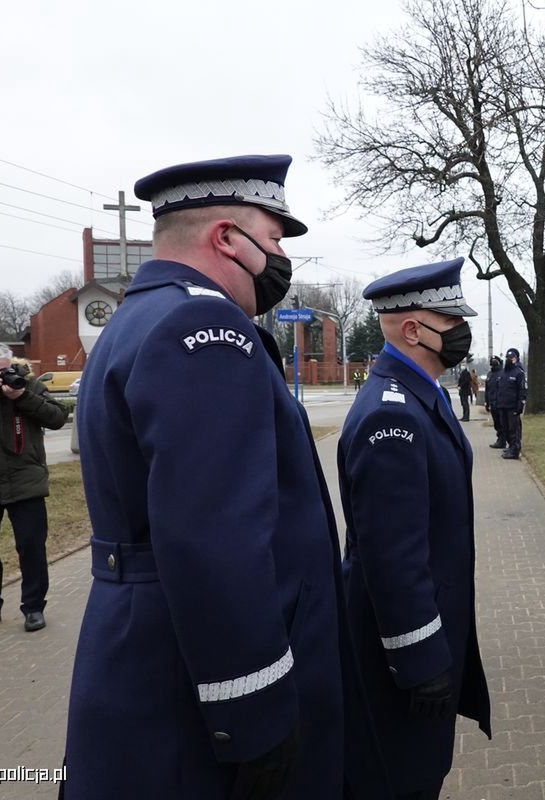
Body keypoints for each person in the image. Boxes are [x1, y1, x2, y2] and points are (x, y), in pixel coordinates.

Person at [63, 155, 379, 799]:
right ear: (227, 238)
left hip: (146, 650)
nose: (281, 258)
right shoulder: (203, 327)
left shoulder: (136, 318)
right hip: (196, 677)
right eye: (274, 238)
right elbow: (215, 541)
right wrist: (254, 710)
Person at [339, 257, 491, 799]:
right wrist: (421, 659)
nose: (461, 335)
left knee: (420, 768)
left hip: (425, 629)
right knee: (400, 776)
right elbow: (392, 559)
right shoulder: (391, 415)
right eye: (452, 324)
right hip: (402, 650)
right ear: (412, 329)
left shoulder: (422, 393)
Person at [0, 346, 68, 634]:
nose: (1, 376)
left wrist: (22, 396)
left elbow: (57, 418)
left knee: (31, 548)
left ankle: (33, 608)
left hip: (26, 481)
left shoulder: (26, 383)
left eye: (4, 369)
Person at [494, 348, 527, 459]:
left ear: (516, 359)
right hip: (502, 406)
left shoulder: (519, 373)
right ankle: (510, 447)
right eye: (508, 358)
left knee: (514, 430)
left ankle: (515, 450)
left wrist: (520, 404)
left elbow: (522, 390)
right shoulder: (502, 373)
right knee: (506, 429)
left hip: (512, 407)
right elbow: (499, 389)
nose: (509, 360)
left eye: (512, 358)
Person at [485, 355, 506, 448]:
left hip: (500, 403)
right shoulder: (489, 375)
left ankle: (502, 441)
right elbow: (487, 390)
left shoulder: (502, 373)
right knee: (496, 423)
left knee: (502, 423)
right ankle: (500, 439)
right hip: (492, 402)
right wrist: (487, 402)